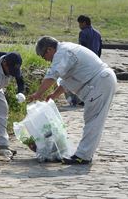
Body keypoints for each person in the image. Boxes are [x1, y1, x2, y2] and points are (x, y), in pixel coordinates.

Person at [29, 36, 117, 165]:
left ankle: (83, 156)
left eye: (44, 56)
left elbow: (52, 75)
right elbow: (68, 81)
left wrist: (38, 94)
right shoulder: (66, 50)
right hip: (101, 82)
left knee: (93, 120)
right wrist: (54, 95)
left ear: (49, 49)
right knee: (92, 119)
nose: (46, 60)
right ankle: (85, 154)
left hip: (99, 82)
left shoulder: (62, 53)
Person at [65, 15, 103, 106]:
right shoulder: (97, 33)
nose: (79, 26)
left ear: (84, 23)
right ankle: (93, 98)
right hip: (96, 60)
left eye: (80, 23)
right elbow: (100, 49)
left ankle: (83, 99)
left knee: (83, 81)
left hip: (86, 60)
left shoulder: (83, 33)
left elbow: (82, 48)